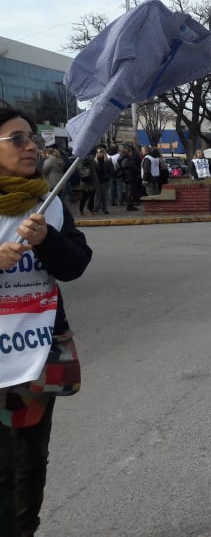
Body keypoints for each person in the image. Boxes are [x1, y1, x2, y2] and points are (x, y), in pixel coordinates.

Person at [0, 108, 92, 536]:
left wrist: (47, 240)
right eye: (16, 139)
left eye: (30, 137)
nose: (32, 145)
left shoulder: (48, 204)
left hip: (38, 352)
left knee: (30, 460)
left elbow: (75, 264)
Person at [119, 144, 143, 211]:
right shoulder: (127, 159)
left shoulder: (122, 158)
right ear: (129, 152)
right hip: (130, 177)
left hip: (127, 177)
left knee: (129, 192)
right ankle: (129, 205)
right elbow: (133, 167)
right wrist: (138, 171)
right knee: (129, 192)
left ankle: (130, 204)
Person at [77, 150, 99, 216]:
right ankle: (90, 211)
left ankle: (81, 211)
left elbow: (78, 169)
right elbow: (96, 168)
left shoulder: (79, 160)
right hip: (92, 180)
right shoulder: (93, 160)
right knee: (91, 197)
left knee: (84, 197)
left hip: (84, 181)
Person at [93, 146, 113, 215]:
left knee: (104, 195)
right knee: (97, 195)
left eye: (101, 152)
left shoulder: (107, 161)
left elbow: (111, 171)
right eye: (98, 152)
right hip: (97, 181)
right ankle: (96, 208)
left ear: (104, 153)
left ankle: (105, 209)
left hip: (105, 181)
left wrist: (108, 177)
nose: (99, 153)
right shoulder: (94, 161)